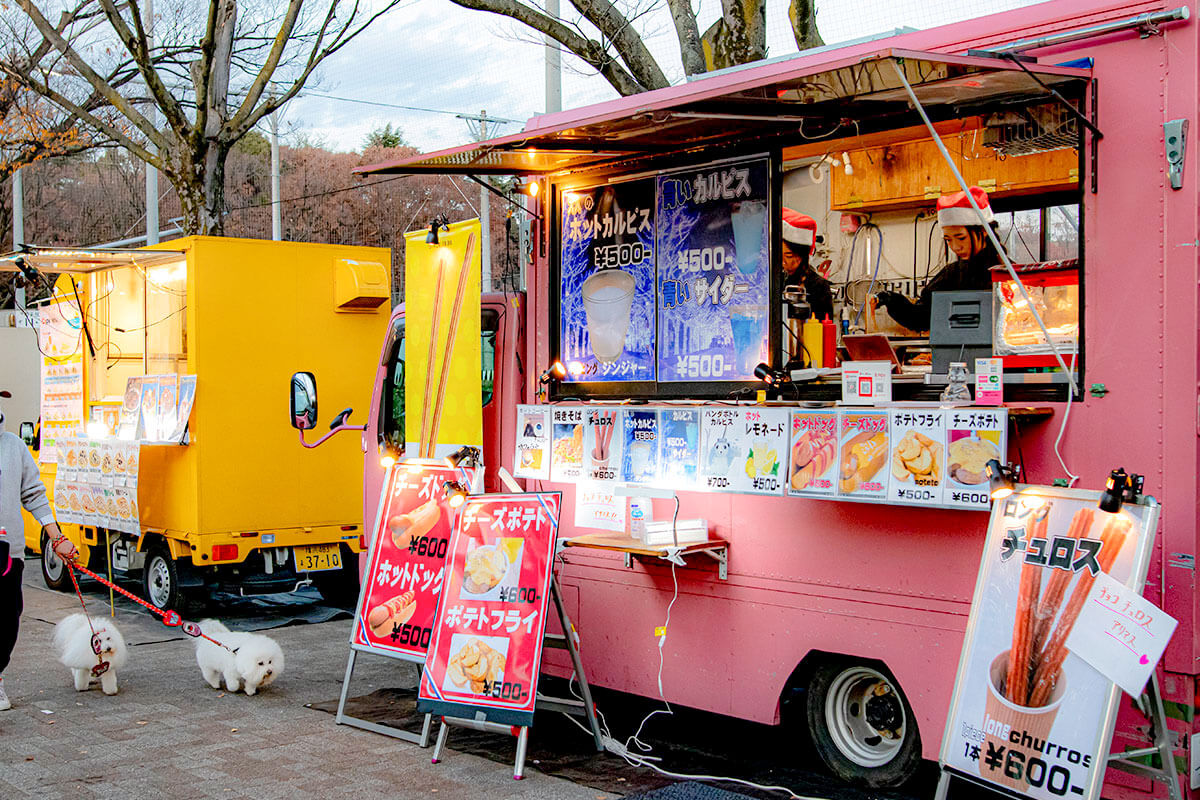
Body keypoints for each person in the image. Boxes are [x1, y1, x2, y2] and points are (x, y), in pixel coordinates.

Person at [0, 391, 76, 711]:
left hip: (7, 549)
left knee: (6, 620)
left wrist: (56, 538)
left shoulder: (14, 446)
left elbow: (33, 494)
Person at [875, 186, 1006, 333]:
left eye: (961, 238)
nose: (955, 247)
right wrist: (893, 301)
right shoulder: (951, 274)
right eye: (948, 240)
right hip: (955, 353)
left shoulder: (1006, 275)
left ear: (984, 231)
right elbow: (920, 319)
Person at [781, 208, 834, 323]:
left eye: (789, 255)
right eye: (779, 256)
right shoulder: (775, 282)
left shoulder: (818, 286)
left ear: (802, 256)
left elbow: (825, 328)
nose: (783, 262)